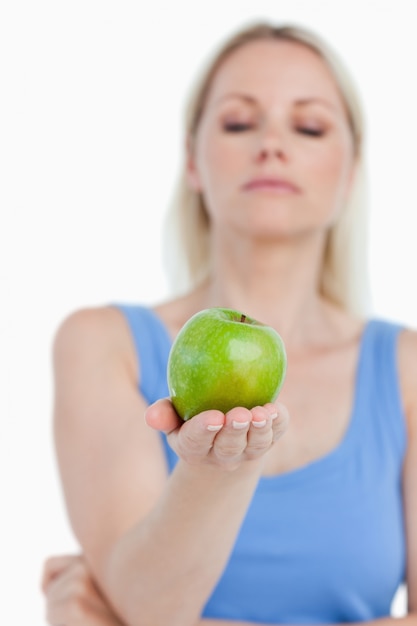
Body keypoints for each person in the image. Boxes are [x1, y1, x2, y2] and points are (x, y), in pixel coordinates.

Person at [41, 20, 417, 626]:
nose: (272, 144)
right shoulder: (102, 344)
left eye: (310, 126)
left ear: (351, 169)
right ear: (191, 160)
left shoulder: (406, 369)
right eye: (239, 122)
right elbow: (151, 607)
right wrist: (216, 468)